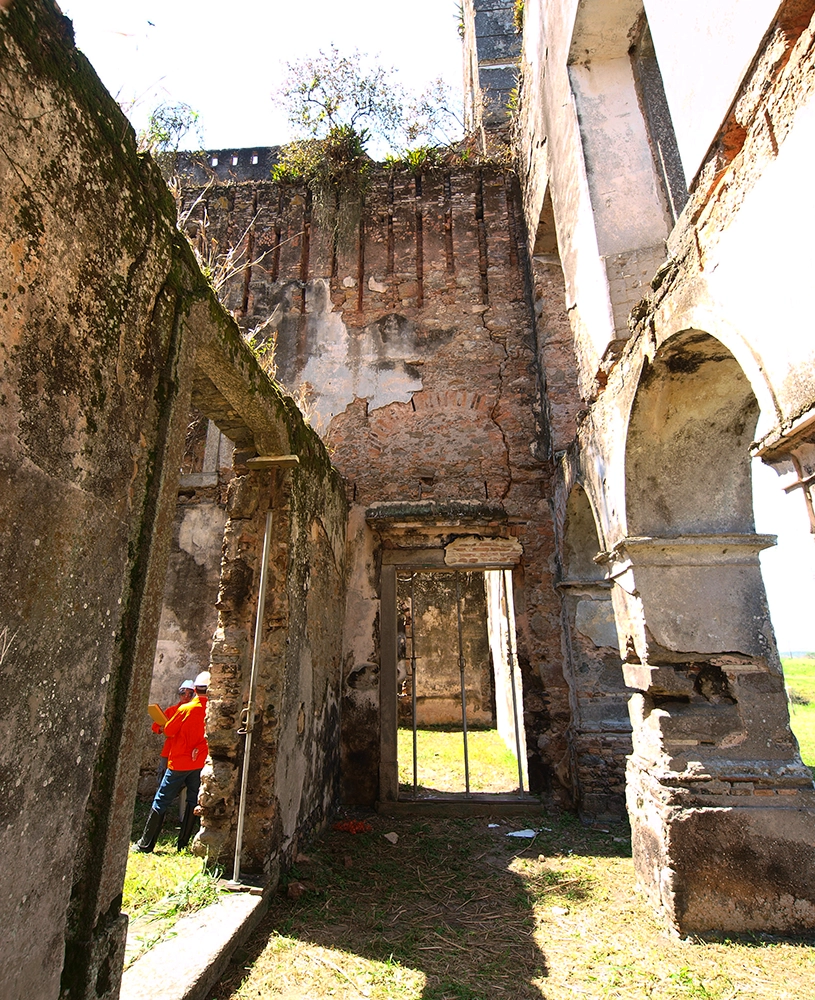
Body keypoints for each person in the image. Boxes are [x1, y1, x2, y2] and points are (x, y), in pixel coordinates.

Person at [133, 673, 209, 853]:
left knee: (161, 800)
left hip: (179, 763)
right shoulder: (212, 711)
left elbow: (169, 730)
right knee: (193, 800)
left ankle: (146, 844)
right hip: (198, 764)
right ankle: (183, 844)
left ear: (195, 690)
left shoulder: (185, 710)